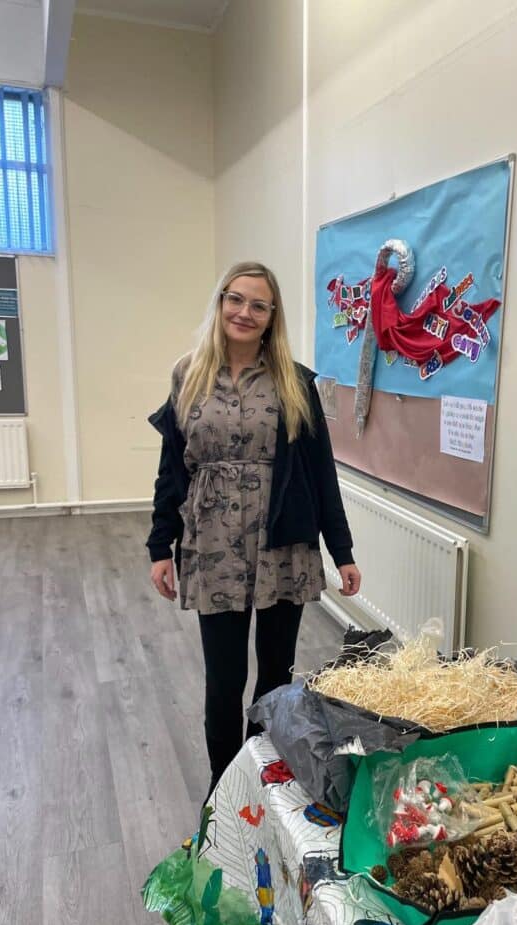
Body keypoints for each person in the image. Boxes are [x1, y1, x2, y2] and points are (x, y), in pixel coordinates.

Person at [147, 261, 361, 800]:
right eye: (236, 299)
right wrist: (159, 546)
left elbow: (321, 472)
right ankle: (223, 790)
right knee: (223, 681)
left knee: (274, 676)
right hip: (212, 544)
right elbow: (172, 468)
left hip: (282, 544)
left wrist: (342, 551)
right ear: (221, 302)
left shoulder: (296, 381)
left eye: (258, 305)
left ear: (271, 316)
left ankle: (257, 781)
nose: (245, 312)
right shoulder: (188, 374)